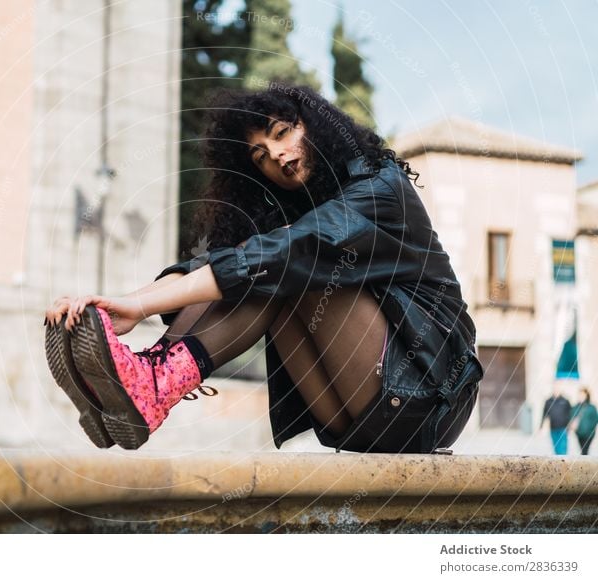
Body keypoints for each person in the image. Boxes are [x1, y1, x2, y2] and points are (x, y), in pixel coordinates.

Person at [44, 82, 484, 452]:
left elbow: (288, 252)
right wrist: (113, 308)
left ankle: (154, 382)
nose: (276, 154)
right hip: (354, 417)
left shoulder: (381, 190)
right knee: (260, 259)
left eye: (283, 132)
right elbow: (213, 265)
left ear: (318, 125)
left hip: (430, 393)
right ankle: (142, 378)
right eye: (259, 155)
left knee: (280, 262)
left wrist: (138, 306)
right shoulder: (294, 214)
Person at [541, 389, 572, 455]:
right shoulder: (548, 401)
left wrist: (570, 425)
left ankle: (563, 460)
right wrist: (541, 426)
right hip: (553, 427)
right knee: (556, 446)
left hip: (563, 427)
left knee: (563, 446)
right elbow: (544, 414)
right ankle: (558, 460)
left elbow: (570, 413)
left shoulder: (565, 401)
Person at [570, 387, 597, 455]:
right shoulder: (575, 407)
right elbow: (571, 417)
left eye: (582, 395)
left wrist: (590, 429)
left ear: (586, 396)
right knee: (583, 450)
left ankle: (585, 464)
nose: (580, 397)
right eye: (579, 395)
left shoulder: (591, 407)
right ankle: (585, 463)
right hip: (579, 434)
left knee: (584, 451)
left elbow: (595, 419)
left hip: (589, 434)